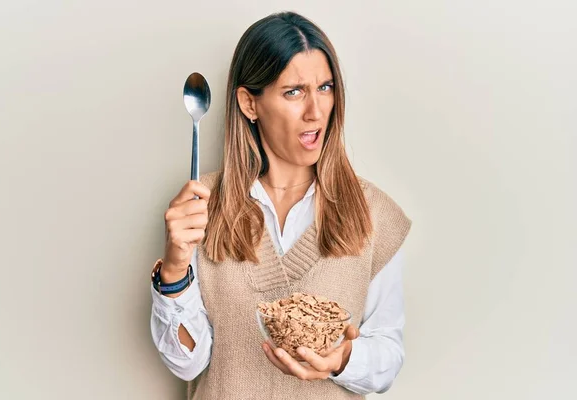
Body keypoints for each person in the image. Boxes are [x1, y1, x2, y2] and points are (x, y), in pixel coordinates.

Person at [150, 11, 412, 400]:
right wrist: (173, 268)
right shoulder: (201, 205)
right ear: (249, 104)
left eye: (324, 87)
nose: (316, 111)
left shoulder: (373, 213)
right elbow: (189, 363)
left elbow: (387, 354)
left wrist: (342, 359)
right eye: (294, 92)